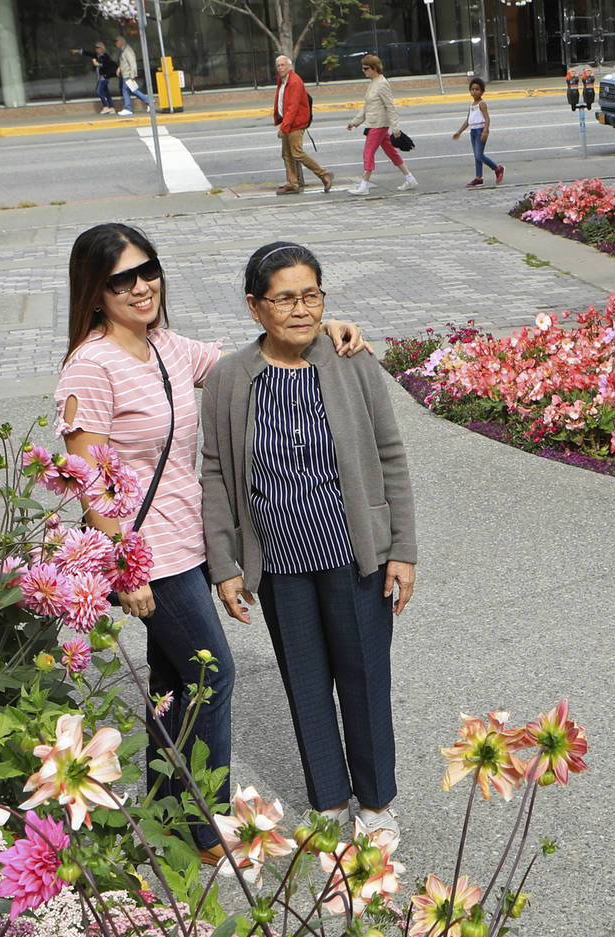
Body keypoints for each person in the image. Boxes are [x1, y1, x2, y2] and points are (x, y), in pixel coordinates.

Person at [55, 224, 370, 863]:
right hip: (147, 553)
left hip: (188, 539)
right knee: (211, 672)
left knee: (174, 685)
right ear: (95, 291)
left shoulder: (167, 346)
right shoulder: (91, 366)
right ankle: (206, 828)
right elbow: (91, 480)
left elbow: (246, 362)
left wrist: (324, 326)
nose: (141, 287)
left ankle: (168, 822)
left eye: (149, 272)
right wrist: (124, 568)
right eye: (122, 280)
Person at [200, 242, 417, 843]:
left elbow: (390, 456)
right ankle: (328, 798)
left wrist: (403, 549)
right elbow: (215, 472)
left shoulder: (354, 363)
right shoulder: (229, 378)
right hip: (281, 561)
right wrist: (225, 563)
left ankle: (375, 804)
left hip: (356, 554)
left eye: (312, 295)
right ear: (255, 306)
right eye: (285, 298)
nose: (301, 309)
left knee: (365, 677)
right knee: (305, 679)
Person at [346, 55, 415, 195]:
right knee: (391, 152)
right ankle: (409, 178)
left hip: (379, 125)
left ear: (374, 68)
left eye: (366, 68)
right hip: (373, 124)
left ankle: (364, 185)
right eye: (363, 68)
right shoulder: (373, 82)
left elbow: (390, 106)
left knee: (368, 152)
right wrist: (354, 122)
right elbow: (367, 106)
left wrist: (395, 128)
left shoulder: (382, 83)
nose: (363, 71)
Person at [272, 55, 332, 195]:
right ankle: (292, 184)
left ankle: (324, 175)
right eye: (278, 65)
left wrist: (284, 127)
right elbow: (283, 102)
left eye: (283, 65)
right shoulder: (282, 80)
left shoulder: (294, 81)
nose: (280, 68)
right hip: (288, 122)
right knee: (286, 154)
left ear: (289, 66)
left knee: (297, 153)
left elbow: (292, 108)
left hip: (296, 123)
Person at [451, 77, 504, 188]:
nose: (474, 91)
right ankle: (479, 178)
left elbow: (487, 119)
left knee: (479, 155)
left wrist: (485, 131)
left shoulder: (482, 104)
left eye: (477, 89)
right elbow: (468, 120)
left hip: (481, 131)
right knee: (476, 156)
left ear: (482, 91)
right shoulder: (471, 105)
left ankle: (497, 168)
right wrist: (459, 132)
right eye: (472, 89)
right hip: (473, 132)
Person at [115, 35, 153, 117]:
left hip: (128, 75)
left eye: (117, 41)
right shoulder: (123, 51)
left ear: (121, 42)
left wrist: (132, 74)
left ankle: (128, 108)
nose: (116, 44)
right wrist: (119, 68)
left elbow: (132, 63)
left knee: (127, 91)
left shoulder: (127, 51)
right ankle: (149, 102)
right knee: (132, 90)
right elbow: (123, 62)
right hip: (126, 74)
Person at [91, 42, 116, 116]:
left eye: (98, 47)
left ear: (102, 48)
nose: (96, 49)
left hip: (104, 77)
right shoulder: (98, 56)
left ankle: (105, 106)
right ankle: (112, 107)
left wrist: (98, 64)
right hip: (100, 77)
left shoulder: (105, 56)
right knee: (106, 93)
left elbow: (107, 65)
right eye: (96, 47)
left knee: (99, 91)